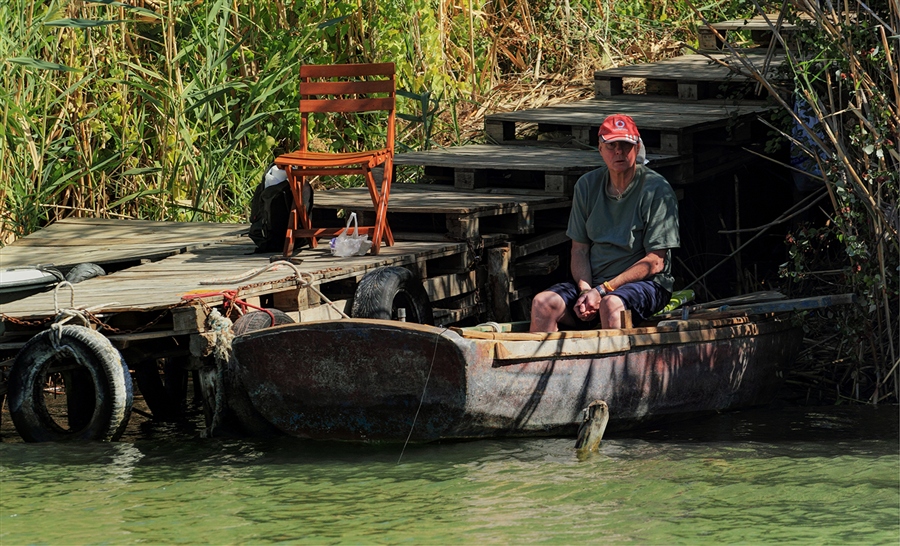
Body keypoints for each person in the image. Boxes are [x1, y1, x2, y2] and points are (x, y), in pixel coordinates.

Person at [530, 114, 680, 332]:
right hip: (594, 284)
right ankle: (545, 365)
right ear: (600, 149)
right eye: (611, 146)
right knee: (542, 304)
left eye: (625, 145)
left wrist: (603, 290)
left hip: (647, 284)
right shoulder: (587, 186)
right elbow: (579, 250)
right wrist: (584, 291)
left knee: (611, 305)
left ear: (636, 148)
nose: (618, 151)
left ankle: (616, 366)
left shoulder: (656, 189)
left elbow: (655, 262)